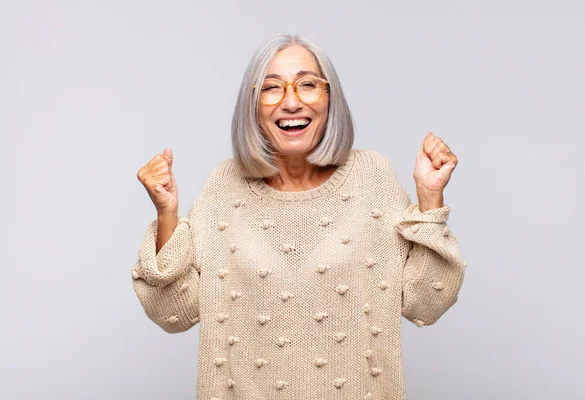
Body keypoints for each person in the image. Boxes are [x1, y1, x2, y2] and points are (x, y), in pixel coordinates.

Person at [132, 34, 465, 400]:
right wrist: (167, 213)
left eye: (308, 84)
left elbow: (426, 305)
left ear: (329, 98)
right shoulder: (223, 186)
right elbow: (172, 314)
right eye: (272, 88)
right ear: (252, 105)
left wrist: (430, 197)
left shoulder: (374, 177)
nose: (291, 102)